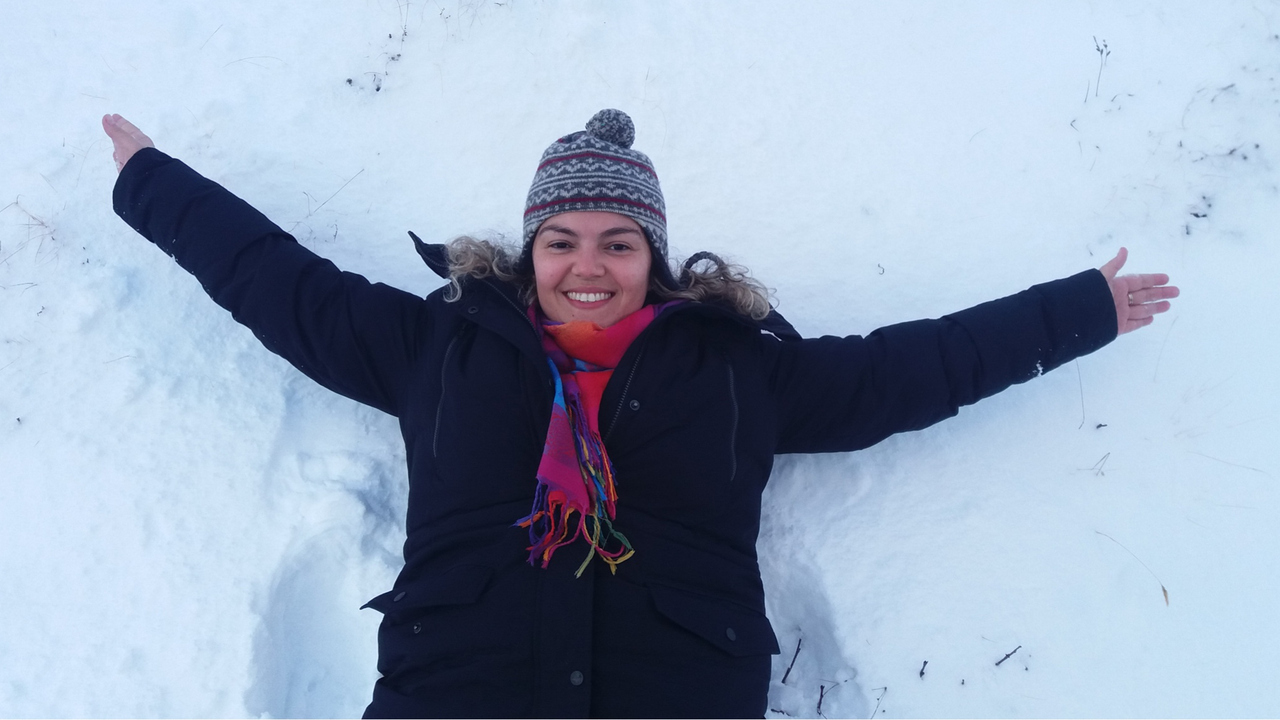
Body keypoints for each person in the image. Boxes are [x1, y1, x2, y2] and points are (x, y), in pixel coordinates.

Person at [102, 109, 1177, 718]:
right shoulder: (437, 345)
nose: (586, 265)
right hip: (457, 686)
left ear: (652, 259)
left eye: (617, 243)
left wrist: (1075, 310)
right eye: (561, 240)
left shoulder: (735, 368)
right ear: (529, 254)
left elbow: (911, 368)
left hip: (675, 689)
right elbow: (279, 282)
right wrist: (152, 181)